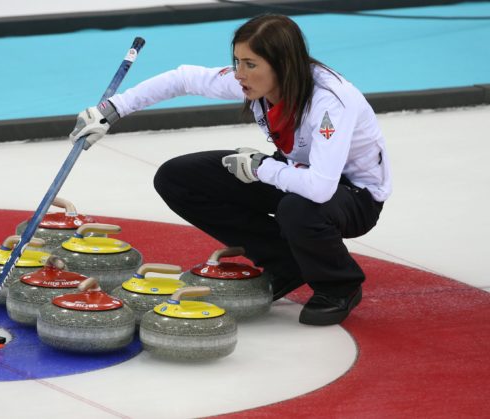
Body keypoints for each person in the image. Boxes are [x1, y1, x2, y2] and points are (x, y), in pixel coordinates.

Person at [69, 14, 392, 326]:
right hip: (293, 172)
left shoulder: (331, 102)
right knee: (177, 178)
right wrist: (113, 109)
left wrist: (261, 167)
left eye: (250, 64)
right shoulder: (254, 81)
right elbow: (182, 78)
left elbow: (321, 187)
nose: (239, 73)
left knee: (299, 208)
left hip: (354, 195)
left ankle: (339, 285)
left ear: (283, 65)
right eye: (237, 61)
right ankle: (286, 263)